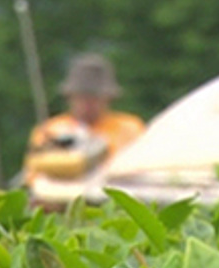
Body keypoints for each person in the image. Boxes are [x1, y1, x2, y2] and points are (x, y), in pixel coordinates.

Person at [23, 53, 146, 183]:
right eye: (82, 97)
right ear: (70, 97)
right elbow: (33, 176)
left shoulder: (129, 128)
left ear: (108, 98)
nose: (88, 103)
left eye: (95, 97)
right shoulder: (51, 130)